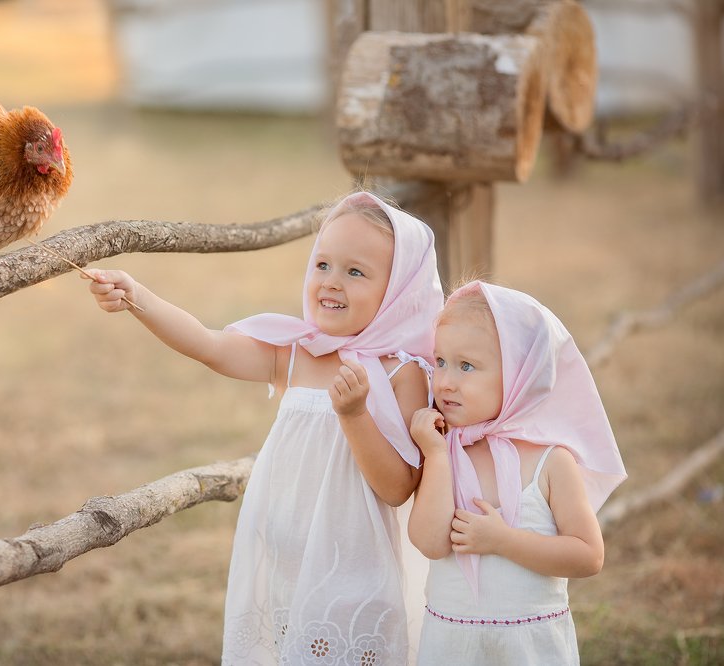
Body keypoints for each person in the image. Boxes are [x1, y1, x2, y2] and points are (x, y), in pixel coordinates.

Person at [80, 191, 444, 664]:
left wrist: (354, 416)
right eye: (323, 265)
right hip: (282, 562)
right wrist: (135, 295)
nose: (331, 283)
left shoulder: (403, 373)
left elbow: (397, 488)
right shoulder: (295, 352)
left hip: (353, 570)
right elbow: (209, 346)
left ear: (398, 291)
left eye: (355, 272)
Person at [408, 281, 628, 665]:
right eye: (440, 362)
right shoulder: (443, 451)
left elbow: (587, 556)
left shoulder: (551, 460)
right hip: (453, 646)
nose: (445, 381)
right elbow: (430, 543)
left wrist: (502, 541)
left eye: (466, 366)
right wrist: (436, 456)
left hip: (528, 647)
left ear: (519, 376)